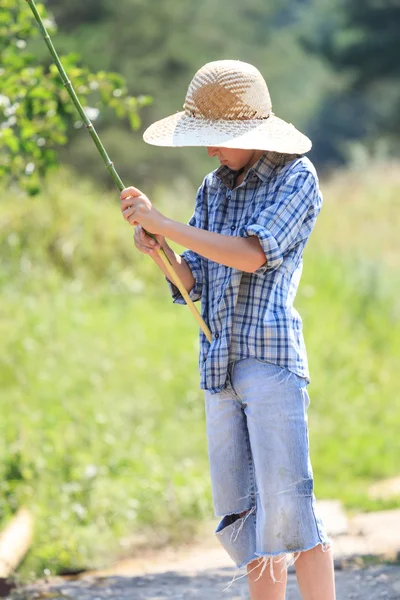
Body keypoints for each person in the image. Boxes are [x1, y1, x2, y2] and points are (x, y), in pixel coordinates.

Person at [120, 60, 336, 600]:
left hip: (270, 365)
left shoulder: (297, 179)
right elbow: (194, 279)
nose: (210, 151)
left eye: (217, 139)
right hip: (218, 368)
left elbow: (252, 254)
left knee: (290, 509)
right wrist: (159, 249)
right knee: (242, 518)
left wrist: (167, 223)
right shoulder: (211, 189)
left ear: (249, 133)